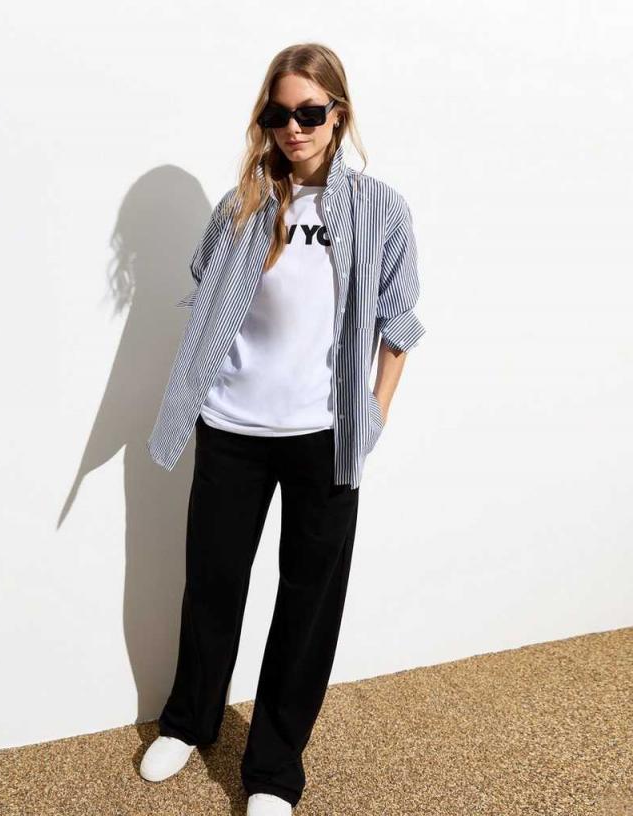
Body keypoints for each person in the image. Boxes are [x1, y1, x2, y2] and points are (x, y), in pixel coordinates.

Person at [141, 42, 426, 815]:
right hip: (233, 426)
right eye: (278, 113)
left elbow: (399, 325)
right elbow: (208, 296)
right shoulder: (241, 204)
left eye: (309, 112)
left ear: (339, 114)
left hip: (324, 437)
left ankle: (272, 770)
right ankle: (189, 721)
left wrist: (373, 414)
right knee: (213, 583)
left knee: (308, 606)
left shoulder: (380, 209)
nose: (293, 128)